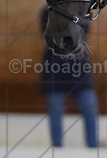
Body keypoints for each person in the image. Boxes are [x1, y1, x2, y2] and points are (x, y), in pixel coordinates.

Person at [40, 8, 98, 148]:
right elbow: (50, 35)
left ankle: (94, 149)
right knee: (55, 112)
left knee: (90, 109)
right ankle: (57, 149)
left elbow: (82, 33)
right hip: (55, 71)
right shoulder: (47, 13)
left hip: (80, 71)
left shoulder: (82, 13)